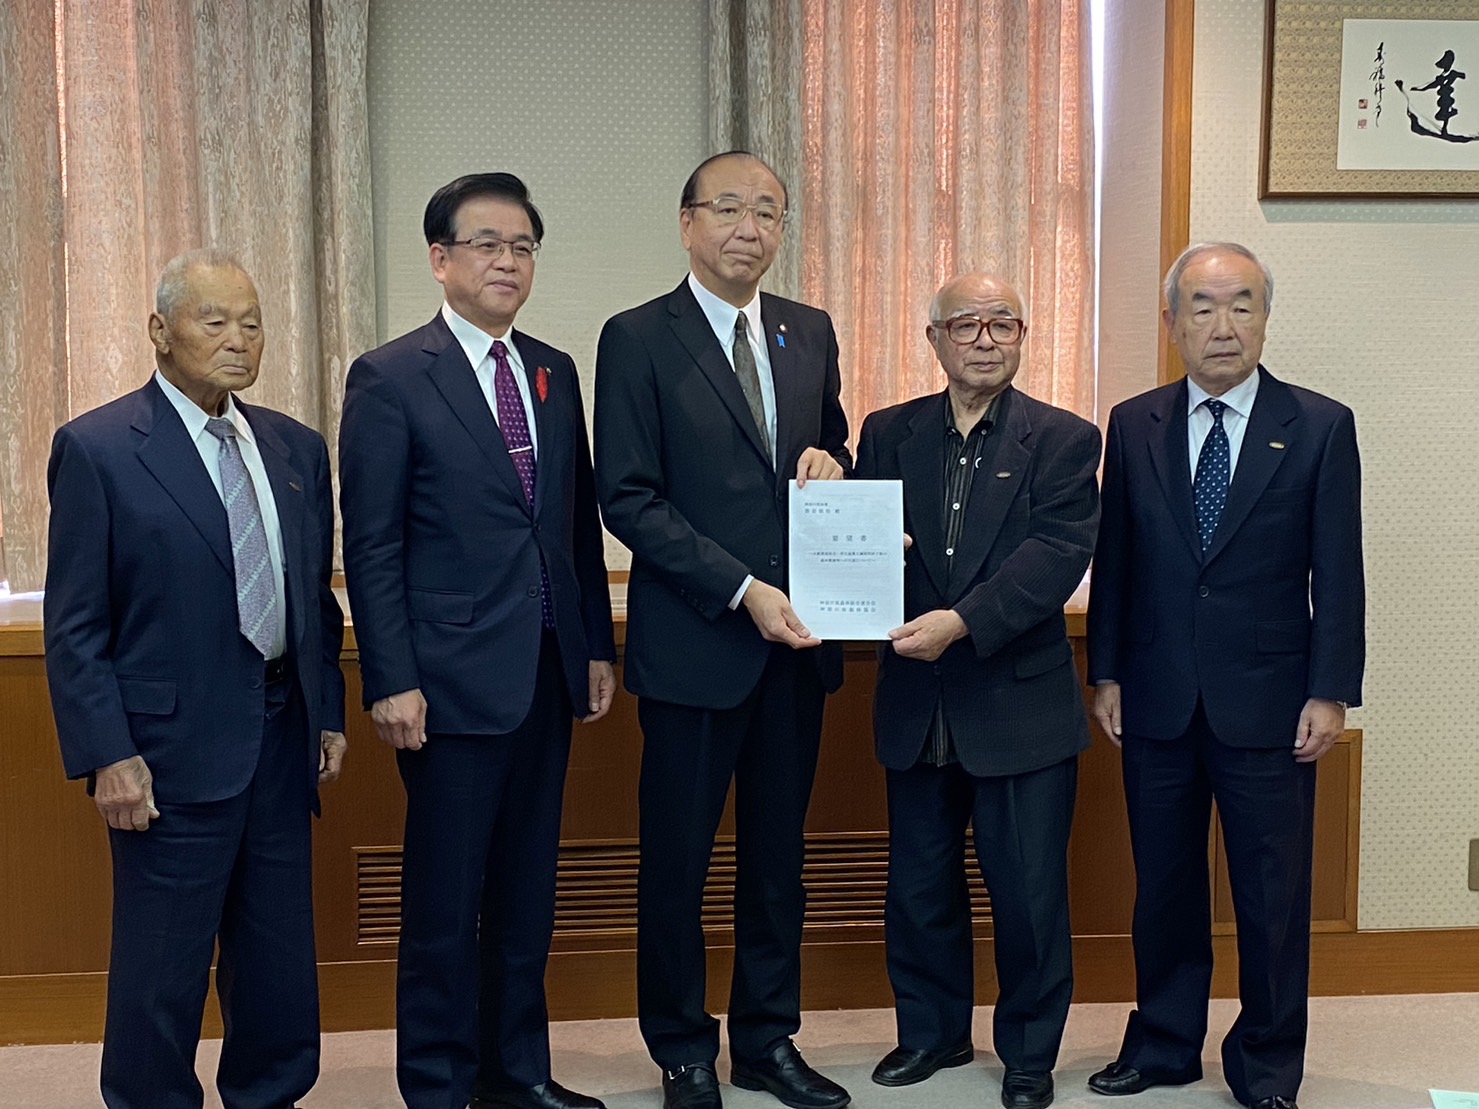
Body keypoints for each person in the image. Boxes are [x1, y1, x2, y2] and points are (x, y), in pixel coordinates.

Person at [44, 248, 347, 1109]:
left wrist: (325, 711)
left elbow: (311, 597)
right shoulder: (100, 449)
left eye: (251, 322)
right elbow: (75, 624)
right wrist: (109, 752)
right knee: (161, 970)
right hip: (166, 755)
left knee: (278, 964)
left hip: (282, 738)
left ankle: (271, 1094)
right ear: (160, 331)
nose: (237, 339)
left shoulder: (293, 447)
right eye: (214, 320)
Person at [339, 173, 616, 1109]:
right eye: (488, 244)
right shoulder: (389, 375)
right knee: (446, 904)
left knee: (525, 897)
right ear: (441, 259)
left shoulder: (551, 367)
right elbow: (372, 543)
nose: (508, 261)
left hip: (544, 671)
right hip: (446, 683)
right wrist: (391, 677)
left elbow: (571, 526)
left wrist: (593, 647)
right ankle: (438, 1082)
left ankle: (518, 1072)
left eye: (524, 246)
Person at [593, 151, 852, 1109]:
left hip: (798, 651)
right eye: (731, 209)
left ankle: (767, 1039)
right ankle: (682, 1049)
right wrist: (740, 587)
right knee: (677, 863)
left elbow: (833, 447)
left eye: (770, 213)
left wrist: (835, 462)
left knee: (777, 860)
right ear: (688, 222)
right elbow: (627, 495)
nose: (751, 228)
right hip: (699, 641)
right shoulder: (635, 337)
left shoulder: (807, 330)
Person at [1086, 242, 1365, 1109]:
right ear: (1171, 323)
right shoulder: (1134, 423)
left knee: (1272, 898)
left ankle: (1268, 1065)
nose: (1222, 325)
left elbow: (1338, 570)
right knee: (1163, 885)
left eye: (1241, 304)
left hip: (1274, 702)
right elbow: (1117, 560)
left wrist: (1329, 689)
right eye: (1201, 306)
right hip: (1157, 695)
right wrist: (1104, 672)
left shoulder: (1318, 423)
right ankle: (1165, 1043)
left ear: (1264, 318)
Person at [854, 273, 1100, 1109]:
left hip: (1018, 699)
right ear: (934, 340)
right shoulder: (886, 434)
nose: (986, 338)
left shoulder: (1063, 440)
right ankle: (930, 1031)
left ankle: (1028, 1052)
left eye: (1003, 323)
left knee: (1028, 893)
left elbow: (1054, 558)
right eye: (966, 324)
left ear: (1023, 337)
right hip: (916, 701)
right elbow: (857, 540)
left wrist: (959, 620)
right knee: (918, 885)